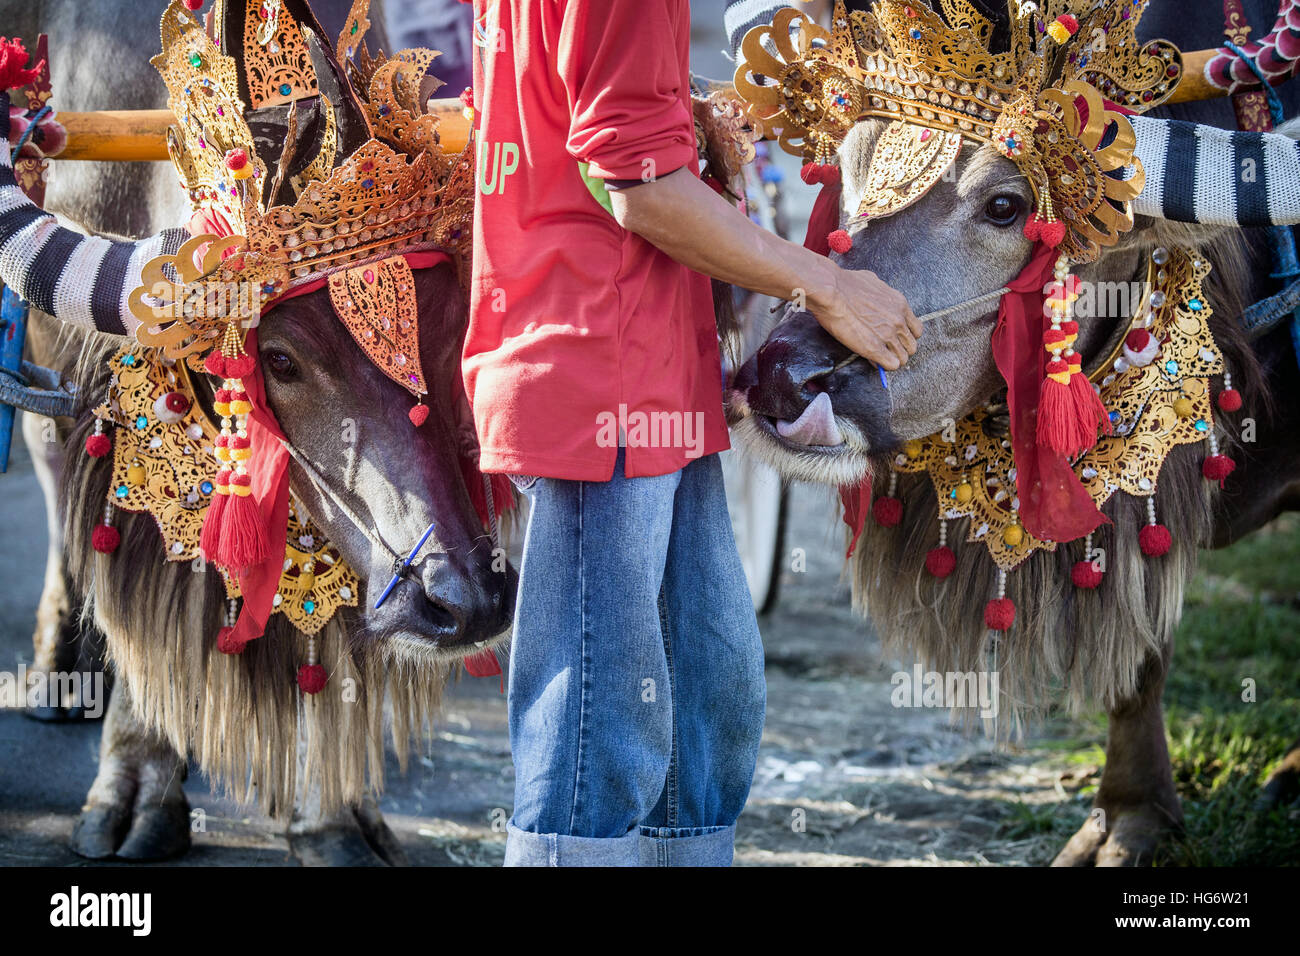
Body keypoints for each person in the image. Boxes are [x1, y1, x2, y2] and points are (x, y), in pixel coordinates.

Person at [463, 0, 919, 867]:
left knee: (708, 693)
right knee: (599, 732)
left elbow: (601, 132)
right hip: (602, 374)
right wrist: (825, 284)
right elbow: (641, 189)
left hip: (656, 368)